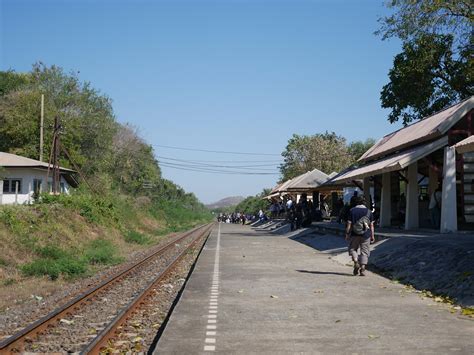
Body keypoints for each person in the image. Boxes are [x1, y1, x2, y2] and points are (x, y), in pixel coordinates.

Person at [345, 196, 375, 276]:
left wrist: (347, 234)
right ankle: (363, 268)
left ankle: (355, 261)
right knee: (364, 251)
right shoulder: (369, 212)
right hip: (366, 234)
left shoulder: (352, 211)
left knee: (352, 249)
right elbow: (371, 225)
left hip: (354, 234)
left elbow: (349, 224)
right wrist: (372, 235)